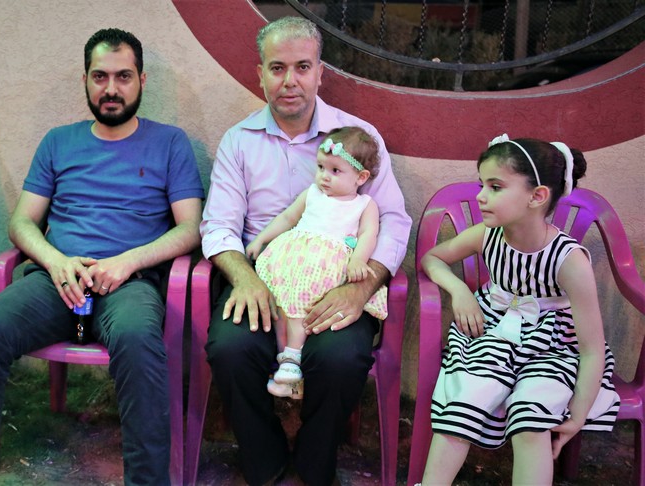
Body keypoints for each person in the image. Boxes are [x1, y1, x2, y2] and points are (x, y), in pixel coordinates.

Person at [0, 28, 203, 486]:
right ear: (84, 80)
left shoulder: (170, 143)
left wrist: (128, 261)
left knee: (138, 341)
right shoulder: (58, 142)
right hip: (56, 282)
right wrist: (55, 261)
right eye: (100, 76)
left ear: (142, 80)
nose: (111, 88)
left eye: (123, 76)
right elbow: (22, 222)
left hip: (129, 284)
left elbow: (190, 227)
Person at [199, 16, 411, 485]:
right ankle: (265, 458)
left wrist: (362, 286)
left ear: (320, 72)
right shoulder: (239, 141)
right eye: (277, 68)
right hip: (264, 277)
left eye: (302, 67)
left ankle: (316, 462)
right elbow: (219, 225)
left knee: (339, 359)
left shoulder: (358, 137)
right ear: (260, 74)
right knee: (231, 349)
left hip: (338, 280)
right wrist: (246, 278)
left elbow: (394, 220)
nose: (289, 81)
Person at [419, 135, 620, 484]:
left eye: (495, 187)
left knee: (532, 423)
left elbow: (591, 350)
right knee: (461, 407)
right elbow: (432, 258)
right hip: (493, 333)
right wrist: (459, 291)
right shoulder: (486, 235)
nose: (481, 196)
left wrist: (577, 415)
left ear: (537, 196)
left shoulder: (569, 261)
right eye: (482, 185)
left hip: (552, 347)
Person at [244, 127, 388, 397]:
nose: (324, 176)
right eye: (321, 167)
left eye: (335, 170)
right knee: (281, 306)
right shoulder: (311, 193)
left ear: (361, 177)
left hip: (325, 268)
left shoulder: (364, 204)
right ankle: (287, 364)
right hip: (292, 261)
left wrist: (358, 259)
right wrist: (261, 239)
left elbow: (369, 234)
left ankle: (294, 358)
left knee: (305, 309)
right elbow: (288, 218)